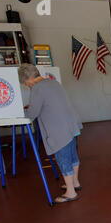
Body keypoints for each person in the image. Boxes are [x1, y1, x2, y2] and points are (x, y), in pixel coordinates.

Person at [18, 64, 83, 204]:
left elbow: (33, 113)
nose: (26, 85)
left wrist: (19, 113)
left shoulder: (37, 88)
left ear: (28, 79)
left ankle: (71, 192)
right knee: (73, 156)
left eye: (25, 83)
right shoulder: (53, 82)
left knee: (63, 159)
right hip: (72, 124)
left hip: (58, 129)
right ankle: (75, 182)